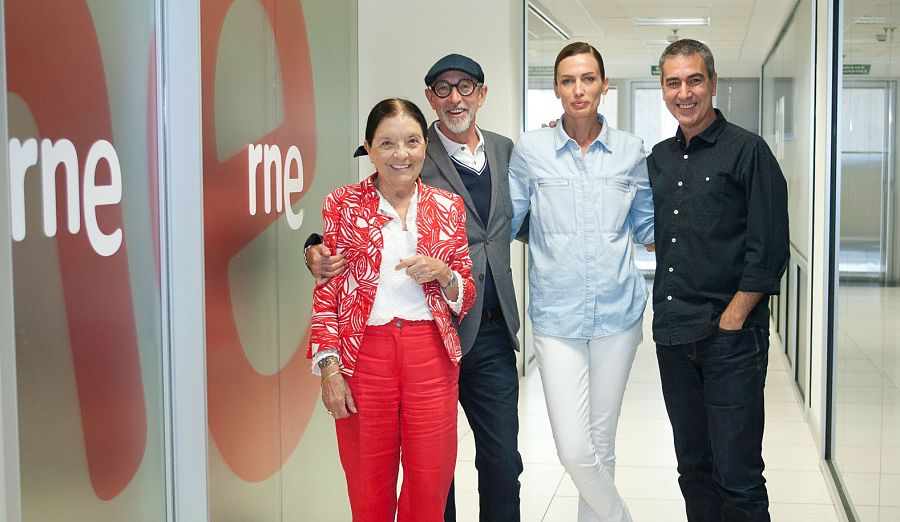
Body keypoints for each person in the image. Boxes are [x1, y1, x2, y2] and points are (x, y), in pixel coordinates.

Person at [308, 54, 524, 522]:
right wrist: (328, 370)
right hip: (365, 357)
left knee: (430, 484)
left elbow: (463, 290)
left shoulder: (446, 206)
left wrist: (444, 276)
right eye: (386, 143)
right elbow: (327, 294)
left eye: (410, 142)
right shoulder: (342, 204)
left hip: (433, 354)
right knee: (369, 488)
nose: (400, 154)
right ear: (368, 147)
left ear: (424, 147)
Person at [508, 42, 654, 522]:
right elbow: (507, 221)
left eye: (588, 78)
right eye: (568, 80)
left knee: (602, 442)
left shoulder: (631, 152)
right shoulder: (531, 149)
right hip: (557, 317)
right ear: (555, 88)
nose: (578, 89)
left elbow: (650, 228)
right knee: (574, 448)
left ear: (604, 85)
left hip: (619, 314)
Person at [648, 39, 789, 522]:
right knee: (693, 469)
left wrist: (734, 317)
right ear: (663, 89)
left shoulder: (748, 150)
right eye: (673, 82)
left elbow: (768, 247)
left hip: (729, 338)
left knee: (739, 476)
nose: (683, 93)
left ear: (712, 82)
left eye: (694, 80)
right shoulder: (660, 158)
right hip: (672, 335)